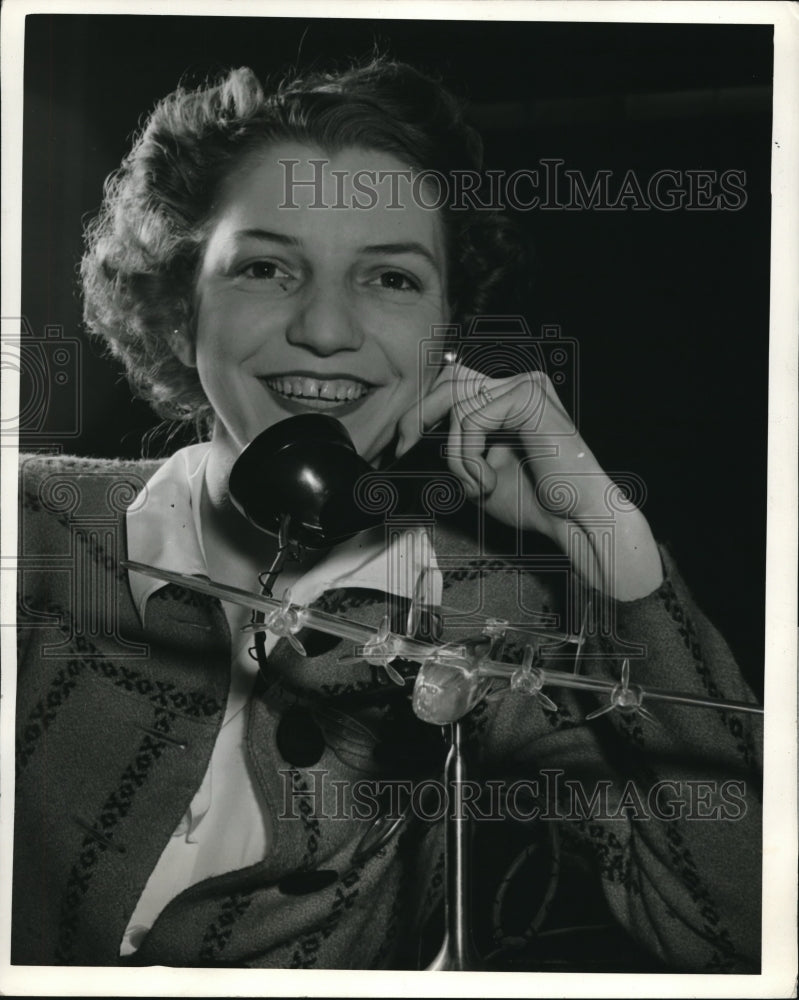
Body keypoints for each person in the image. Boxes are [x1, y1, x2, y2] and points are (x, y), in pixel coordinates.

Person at [13, 57, 762, 971]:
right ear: (179, 309)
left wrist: (611, 544)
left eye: (391, 280)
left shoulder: (500, 609)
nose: (326, 330)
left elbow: (736, 931)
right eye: (263, 266)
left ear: (445, 333)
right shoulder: (28, 527)